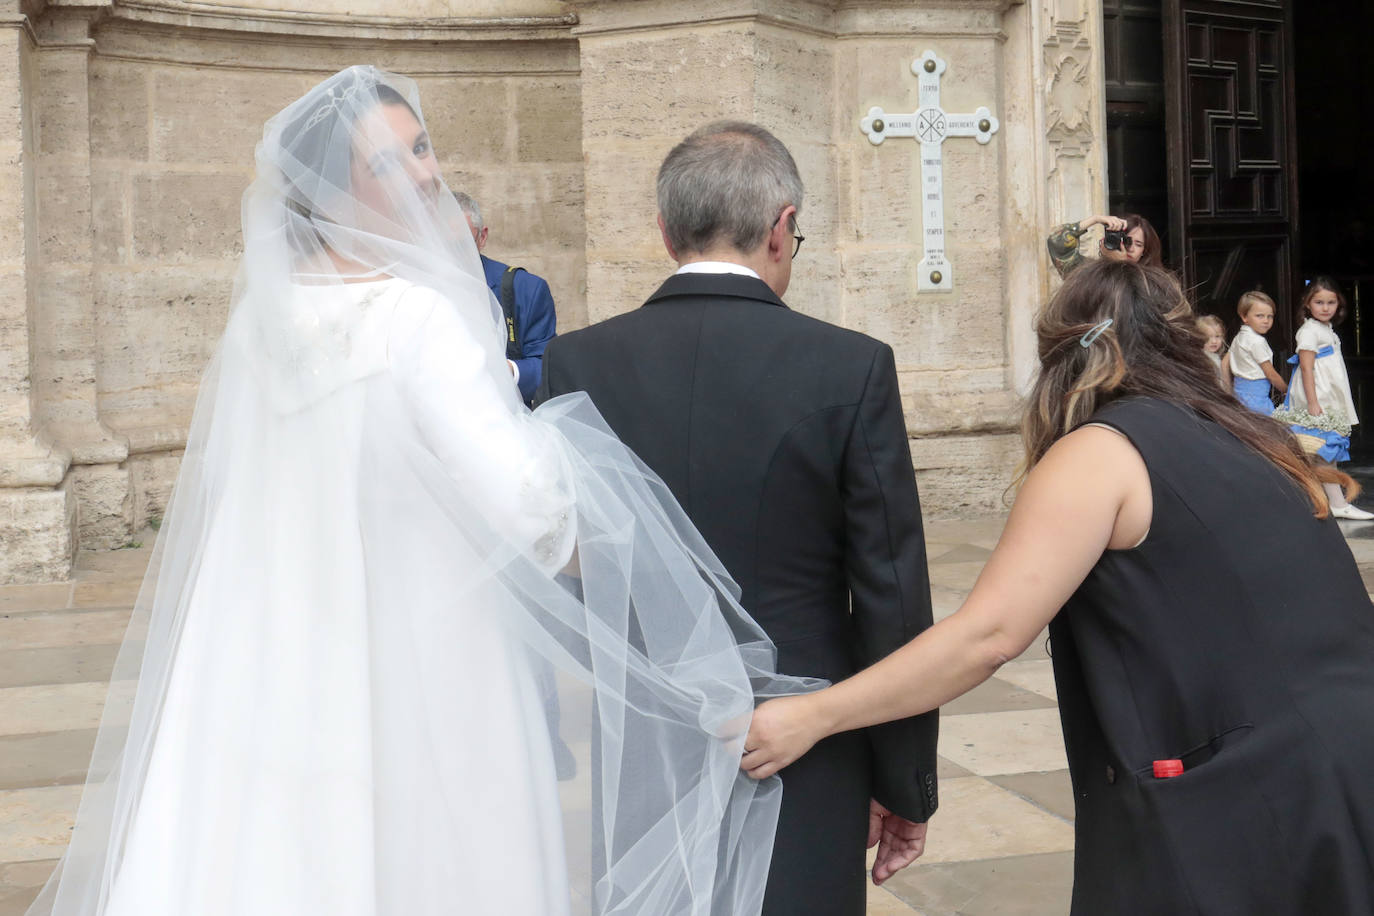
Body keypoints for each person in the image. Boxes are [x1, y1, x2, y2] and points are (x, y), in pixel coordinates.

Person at [25, 67, 816, 916]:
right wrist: (603, 482)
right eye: (394, 161)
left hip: (269, 643)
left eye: (423, 146)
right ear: (335, 188)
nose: (427, 173)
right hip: (427, 651)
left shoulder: (266, 316)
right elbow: (529, 510)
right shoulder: (416, 318)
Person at [741, 258, 1374, 914]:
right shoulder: (1261, 438)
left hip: (1253, 797)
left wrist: (811, 716)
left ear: (1062, 359)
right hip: (1348, 757)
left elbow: (987, 636)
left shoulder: (1102, 453)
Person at [537, 120, 939, 915]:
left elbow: (572, 563)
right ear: (783, 226)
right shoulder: (851, 365)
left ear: (664, 230)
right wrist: (902, 782)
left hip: (644, 735)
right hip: (807, 741)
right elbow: (891, 596)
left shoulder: (575, 362)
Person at [1273, 277, 1373, 520]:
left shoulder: (1325, 330)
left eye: (1331, 302)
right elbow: (1306, 368)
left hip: (1328, 394)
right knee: (1321, 448)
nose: (1326, 308)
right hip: (1317, 396)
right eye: (1319, 302)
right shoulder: (1308, 331)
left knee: (1321, 451)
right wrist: (1313, 402)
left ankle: (1332, 501)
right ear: (1307, 304)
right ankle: (1333, 502)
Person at [451, 190, 556, 405]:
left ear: (482, 237)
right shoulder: (409, 289)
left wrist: (509, 371)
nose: (452, 255)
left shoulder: (525, 288)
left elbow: (547, 368)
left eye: (462, 244)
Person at [1047, 212, 1162, 278]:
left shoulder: (1150, 282)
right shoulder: (1089, 273)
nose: (1131, 248)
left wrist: (1119, 264)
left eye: (1138, 244)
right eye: (1127, 240)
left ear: (1144, 251)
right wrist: (1095, 219)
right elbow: (1056, 243)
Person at [1228, 290, 1286, 415]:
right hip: (1256, 399)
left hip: (1239, 394)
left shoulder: (1239, 337)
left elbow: (1225, 363)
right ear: (1244, 316)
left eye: (1269, 316)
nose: (1266, 320)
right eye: (1259, 316)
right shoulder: (1257, 342)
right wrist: (1286, 389)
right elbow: (1271, 374)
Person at [1195, 313, 1227, 381]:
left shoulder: (1216, 356)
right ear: (1198, 337)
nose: (1214, 341)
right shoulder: (1201, 360)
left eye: (1217, 336)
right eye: (1208, 337)